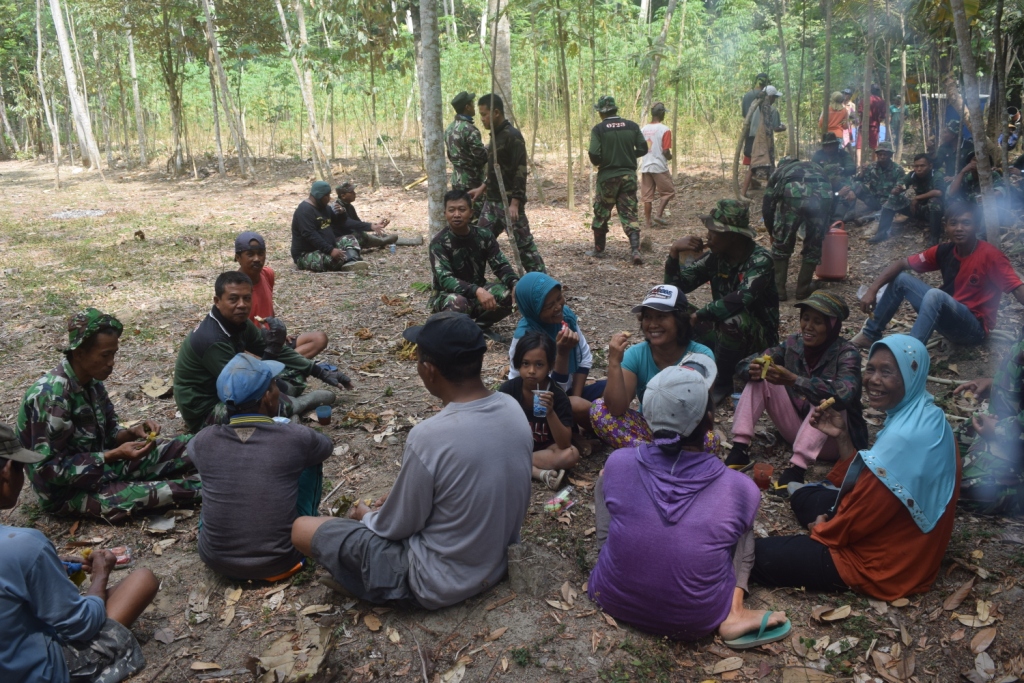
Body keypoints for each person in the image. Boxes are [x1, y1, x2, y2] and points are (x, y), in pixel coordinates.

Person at [291, 312, 533, 609]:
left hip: (432, 581)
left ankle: (364, 584)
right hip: (494, 565)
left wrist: (366, 516)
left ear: (429, 370)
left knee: (302, 529)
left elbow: (394, 528)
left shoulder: (429, 436)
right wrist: (399, 498)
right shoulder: (512, 408)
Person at [588, 366, 791, 646]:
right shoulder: (740, 488)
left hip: (610, 596)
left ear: (648, 417)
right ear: (709, 420)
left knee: (604, 480)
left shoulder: (619, 462)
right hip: (694, 620)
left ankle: (612, 561)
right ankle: (735, 611)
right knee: (742, 523)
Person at [752, 336, 961, 601]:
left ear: (912, 376)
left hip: (882, 563)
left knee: (756, 555)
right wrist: (842, 436)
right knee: (805, 497)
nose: (873, 380)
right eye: (871, 369)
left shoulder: (904, 438)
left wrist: (823, 529)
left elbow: (865, 513)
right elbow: (879, 484)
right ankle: (814, 503)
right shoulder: (929, 416)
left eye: (887, 372)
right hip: (904, 536)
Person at [0, 423, 160, 683]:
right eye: (20, 468)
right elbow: (82, 625)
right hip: (36, 672)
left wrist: (49, 566)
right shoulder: (26, 546)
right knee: (143, 580)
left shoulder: (20, 549)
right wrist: (100, 577)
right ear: (7, 471)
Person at [18, 309, 201, 522]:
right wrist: (110, 456)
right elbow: (49, 469)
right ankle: (220, 487)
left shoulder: (92, 383)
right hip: (68, 493)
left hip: (103, 466)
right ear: (79, 354)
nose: (112, 362)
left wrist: (132, 433)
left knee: (185, 446)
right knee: (160, 492)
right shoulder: (52, 397)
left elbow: (109, 434)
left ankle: (223, 451)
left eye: (114, 354)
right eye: (105, 355)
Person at [189, 354, 334, 581]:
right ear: (267, 397)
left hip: (216, 560)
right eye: (275, 385)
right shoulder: (295, 437)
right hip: (283, 560)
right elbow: (325, 447)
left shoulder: (202, 441)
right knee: (310, 459)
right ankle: (305, 522)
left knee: (215, 478)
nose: (278, 391)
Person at [727, 292, 867, 492]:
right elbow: (747, 362)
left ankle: (796, 470)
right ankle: (739, 448)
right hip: (797, 430)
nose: (808, 326)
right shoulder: (794, 344)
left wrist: (794, 380)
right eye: (805, 318)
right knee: (764, 375)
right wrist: (752, 369)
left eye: (817, 322)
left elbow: (845, 394)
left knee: (826, 401)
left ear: (832, 326)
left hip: (832, 441)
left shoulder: (847, 354)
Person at [174, 272, 346, 434]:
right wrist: (271, 354)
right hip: (206, 410)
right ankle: (296, 405)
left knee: (293, 371)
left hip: (233, 387)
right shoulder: (212, 340)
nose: (242, 305)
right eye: (233, 299)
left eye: (247, 298)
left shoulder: (239, 322)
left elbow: (280, 354)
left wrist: (319, 371)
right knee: (257, 403)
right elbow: (242, 387)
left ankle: (284, 406)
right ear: (217, 301)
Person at [853, 201, 1024, 349]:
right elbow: (902, 263)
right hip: (948, 318)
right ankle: (870, 334)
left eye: (966, 223)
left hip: (973, 329)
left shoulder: (991, 256)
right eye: (953, 223)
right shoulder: (944, 250)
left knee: (935, 295)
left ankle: (911, 353)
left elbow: (1017, 288)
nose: (959, 228)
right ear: (945, 226)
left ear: (977, 226)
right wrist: (872, 290)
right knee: (901, 279)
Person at [666, 199, 780, 403]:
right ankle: (681, 363)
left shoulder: (760, 260)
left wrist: (699, 315)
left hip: (758, 339)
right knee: (673, 308)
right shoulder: (716, 258)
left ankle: (722, 381)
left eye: (714, 231)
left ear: (733, 236)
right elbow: (676, 289)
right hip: (723, 332)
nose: (708, 236)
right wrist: (674, 253)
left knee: (732, 319)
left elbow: (740, 299)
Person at [587, 285, 714, 449]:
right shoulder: (636, 354)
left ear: (680, 320)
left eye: (661, 316)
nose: (653, 324)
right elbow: (615, 409)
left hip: (687, 433)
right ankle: (657, 454)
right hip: (649, 428)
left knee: (710, 440)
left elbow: (702, 412)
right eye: (647, 317)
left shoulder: (700, 356)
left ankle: (651, 454)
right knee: (599, 410)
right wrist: (614, 362)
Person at [508, 271, 602, 424]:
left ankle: (577, 422)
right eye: (549, 306)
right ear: (533, 309)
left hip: (568, 391)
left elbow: (584, 358)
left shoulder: (566, 318)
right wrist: (562, 354)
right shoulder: (525, 337)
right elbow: (521, 382)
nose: (558, 307)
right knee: (580, 407)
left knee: (614, 388)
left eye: (559, 298)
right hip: (542, 401)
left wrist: (575, 396)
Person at [470, 93, 546, 273]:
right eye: (481, 115)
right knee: (479, 241)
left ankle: (542, 282)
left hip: (508, 202)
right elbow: (497, 169)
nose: (482, 119)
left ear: (496, 112)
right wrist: (483, 187)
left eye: (484, 114)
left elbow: (520, 171)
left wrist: (515, 202)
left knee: (524, 246)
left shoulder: (513, 136)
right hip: (491, 202)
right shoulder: (495, 136)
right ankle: (472, 279)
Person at [428, 189, 520, 335]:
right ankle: (455, 330)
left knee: (513, 292)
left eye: (462, 209)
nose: (456, 214)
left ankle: (480, 328)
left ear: (471, 213)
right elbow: (445, 279)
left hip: (478, 295)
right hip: (448, 297)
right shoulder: (438, 243)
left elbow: (500, 265)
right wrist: (477, 290)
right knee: (458, 301)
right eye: (451, 210)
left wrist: (514, 283)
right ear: (445, 213)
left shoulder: (483, 235)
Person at [954, 332, 1024, 515]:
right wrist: (997, 387)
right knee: (945, 447)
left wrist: (1000, 430)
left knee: (966, 489)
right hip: (1009, 428)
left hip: (1012, 434)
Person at [499, 332, 580, 490]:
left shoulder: (557, 395)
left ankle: (516, 465)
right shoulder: (509, 390)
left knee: (571, 454)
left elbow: (564, 443)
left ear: (550, 365)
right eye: (525, 363)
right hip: (517, 448)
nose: (531, 371)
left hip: (545, 450)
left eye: (539, 365)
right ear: (517, 364)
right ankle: (538, 473)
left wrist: (550, 412)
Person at [235, 230, 329, 361]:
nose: (257, 259)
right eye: (250, 254)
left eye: (260, 253)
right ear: (238, 258)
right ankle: (281, 364)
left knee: (319, 338)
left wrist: (278, 333)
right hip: (253, 348)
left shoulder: (267, 274)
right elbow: (233, 334)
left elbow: (267, 309)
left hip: (273, 341)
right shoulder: (234, 288)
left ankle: (279, 364)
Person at [587, 95, 649, 264]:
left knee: (601, 212)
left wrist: (602, 161)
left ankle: (599, 249)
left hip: (607, 177)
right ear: (615, 110)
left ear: (601, 112)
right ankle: (635, 250)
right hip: (628, 176)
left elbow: (593, 153)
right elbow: (643, 148)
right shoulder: (632, 126)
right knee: (629, 212)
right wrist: (629, 155)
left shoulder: (599, 129)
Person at [762, 157, 834, 302]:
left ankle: (779, 289)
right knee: (813, 244)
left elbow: (767, 205)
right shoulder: (816, 167)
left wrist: (773, 232)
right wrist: (825, 224)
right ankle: (803, 288)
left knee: (782, 243)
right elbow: (832, 197)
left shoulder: (781, 170)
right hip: (822, 194)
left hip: (793, 192)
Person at [290, 181, 368, 273]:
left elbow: (339, 223)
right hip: (306, 254)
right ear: (320, 196)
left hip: (327, 246)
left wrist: (342, 213)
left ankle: (352, 261)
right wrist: (330, 250)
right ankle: (348, 261)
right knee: (332, 259)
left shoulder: (325, 208)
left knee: (350, 238)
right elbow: (310, 235)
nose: (329, 198)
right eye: (327, 195)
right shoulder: (304, 211)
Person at [867, 153, 945, 245]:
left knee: (934, 202)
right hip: (918, 208)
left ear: (930, 166)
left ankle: (934, 238)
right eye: (916, 166)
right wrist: (897, 190)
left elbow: (938, 192)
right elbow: (902, 185)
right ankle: (881, 233)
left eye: (922, 166)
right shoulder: (912, 175)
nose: (919, 169)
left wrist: (917, 198)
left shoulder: (936, 174)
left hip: (934, 212)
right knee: (893, 199)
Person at [445, 90, 488, 218]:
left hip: (456, 179)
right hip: (472, 181)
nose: (474, 107)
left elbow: (450, 155)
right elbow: (481, 158)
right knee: (474, 215)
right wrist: (489, 148)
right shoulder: (470, 129)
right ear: (467, 107)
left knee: (460, 214)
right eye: (472, 104)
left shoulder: (449, 129)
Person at [838, 141, 904, 224]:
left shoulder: (898, 170)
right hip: (874, 200)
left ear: (890, 155)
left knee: (894, 202)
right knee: (857, 185)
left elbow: (900, 188)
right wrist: (862, 173)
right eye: (880, 154)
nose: (882, 157)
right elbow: (860, 181)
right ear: (877, 155)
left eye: (885, 154)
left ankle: (870, 217)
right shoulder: (872, 167)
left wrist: (891, 199)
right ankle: (849, 212)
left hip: (889, 202)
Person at [742, 86, 786, 198]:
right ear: (770, 97)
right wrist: (783, 127)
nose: (775, 100)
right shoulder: (772, 110)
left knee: (752, 166)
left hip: (751, 138)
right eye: (774, 97)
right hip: (763, 140)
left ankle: (743, 193)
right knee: (768, 165)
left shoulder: (754, 107)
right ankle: (769, 193)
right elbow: (776, 128)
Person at [640, 102, 676, 230]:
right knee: (668, 192)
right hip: (659, 166)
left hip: (646, 166)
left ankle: (648, 222)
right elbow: (665, 151)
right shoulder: (665, 129)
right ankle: (659, 215)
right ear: (661, 114)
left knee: (647, 197)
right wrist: (670, 157)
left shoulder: (643, 129)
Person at [334, 182, 398, 249]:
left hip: (351, 235)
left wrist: (376, 225)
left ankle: (377, 240)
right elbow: (347, 222)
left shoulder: (349, 206)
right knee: (361, 236)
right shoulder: (336, 207)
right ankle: (382, 241)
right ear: (343, 196)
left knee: (363, 234)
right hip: (341, 239)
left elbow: (358, 223)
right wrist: (370, 226)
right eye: (351, 192)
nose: (354, 193)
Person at [811, 132, 855, 220]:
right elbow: (812, 171)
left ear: (836, 145)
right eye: (825, 145)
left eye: (830, 145)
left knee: (849, 190)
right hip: (824, 187)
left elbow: (852, 168)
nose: (828, 148)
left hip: (840, 185)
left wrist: (842, 170)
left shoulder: (843, 154)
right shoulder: (818, 155)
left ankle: (843, 216)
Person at [741, 74, 769, 191]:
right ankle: (747, 187)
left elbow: (744, 114)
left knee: (749, 154)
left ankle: (752, 183)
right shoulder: (763, 95)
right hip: (759, 130)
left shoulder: (747, 95)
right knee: (759, 157)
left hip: (748, 128)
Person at [867, 84, 886, 151]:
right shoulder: (881, 101)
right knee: (874, 146)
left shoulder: (865, 99)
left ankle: (861, 158)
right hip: (875, 126)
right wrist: (877, 121)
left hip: (863, 126)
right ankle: (873, 158)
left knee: (860, 146)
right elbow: (883, 116)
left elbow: (860, 113)